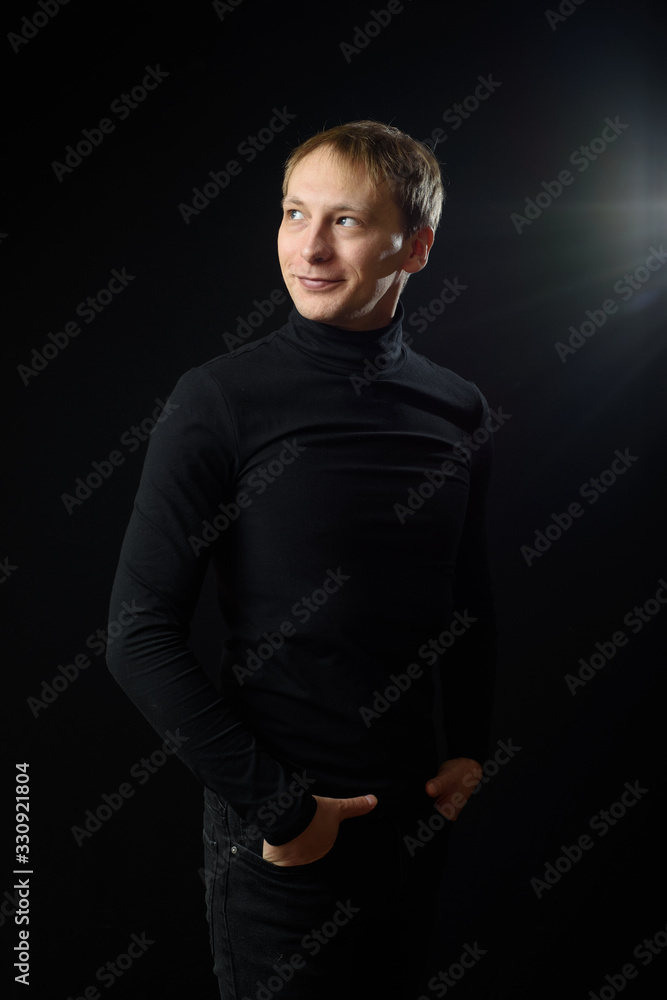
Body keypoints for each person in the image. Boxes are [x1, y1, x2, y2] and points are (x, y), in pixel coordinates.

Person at [106, 119, 497, 999]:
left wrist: (469, 748)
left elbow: (469, 596)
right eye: (293, 213)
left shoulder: (456, 408)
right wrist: (283, 811)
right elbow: (136, 635)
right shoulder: (219, 400)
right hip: (281, 832)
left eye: (346, 222)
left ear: (417, 247)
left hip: (409, 818)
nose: (309, 247)